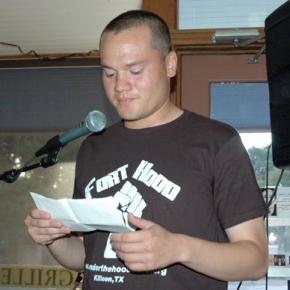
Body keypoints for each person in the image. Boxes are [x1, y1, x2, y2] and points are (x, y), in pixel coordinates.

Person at [24, 10, 269, 290]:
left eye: (135, 70)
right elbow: (87, 256)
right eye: (109, 73)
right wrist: (53, 238)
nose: (120, 86)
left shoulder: (218, 142)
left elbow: (256, 259)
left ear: (170, 64)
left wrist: (178, 248)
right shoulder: (94, 146)